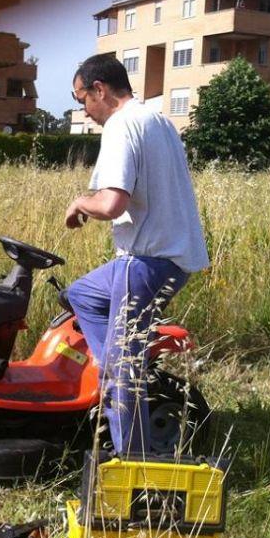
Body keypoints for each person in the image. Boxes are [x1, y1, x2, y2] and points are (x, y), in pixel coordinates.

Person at [64, 54, 210, 455]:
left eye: (83, 100)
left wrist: (80, 202)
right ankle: (115, 359)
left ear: (100, 90)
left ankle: (134, 461)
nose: (85, 110)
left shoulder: (121, 126)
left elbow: (111, 203)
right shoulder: (157, 120)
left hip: (146, 262)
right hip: (168, 257)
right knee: (82, 295)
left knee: (120, 372)